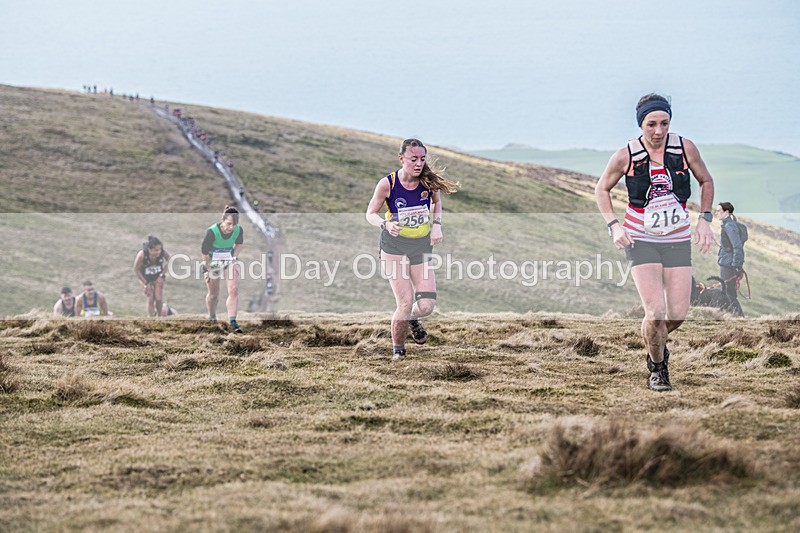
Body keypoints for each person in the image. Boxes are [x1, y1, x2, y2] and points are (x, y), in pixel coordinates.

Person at [595, 94, 715, 392]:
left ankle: (654, 341)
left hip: (677, 240)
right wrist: (614, 226)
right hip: (640, 239)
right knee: (656, 312)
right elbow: (602, 189)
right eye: (651, 124)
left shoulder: (684, 148)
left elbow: (706, 181)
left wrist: (705, 219)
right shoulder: (626, 155)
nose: (658, 131)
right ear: (641, 124)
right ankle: (658, 369)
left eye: (664, 123)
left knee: (677, 314)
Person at [365, 138, 460, 361]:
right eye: (413, 159)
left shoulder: (428, 182)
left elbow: (437, 204)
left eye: (422, 159)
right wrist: (385, 224)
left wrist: (436, 226)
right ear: (402, 159)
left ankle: (412, 319)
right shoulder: (387, 183)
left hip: (421, 245)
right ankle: (399, 350)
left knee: (426, 306)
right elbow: (370, 213)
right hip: (394, 246)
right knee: (405, 303)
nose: (418, 163)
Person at [202, 206, 244, 333]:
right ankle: (212, 317)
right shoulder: (212, 232)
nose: (231, 227)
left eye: (234, 224)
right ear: (222, 220)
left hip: (228, 260)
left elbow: (238, 244)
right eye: (229, 224)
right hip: (212, 262)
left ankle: (232, 321)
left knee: (234, 289)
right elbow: (204, 252)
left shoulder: (238, 230)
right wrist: (208, 269)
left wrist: (234, 258)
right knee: (214, 295)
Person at [715, 202, 745, 316]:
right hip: (727, 263)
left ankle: (740, 317)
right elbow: (730, 246)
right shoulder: (727, 225)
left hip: (729, 265)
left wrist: (736, 266)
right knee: (728, 292)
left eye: (719, 211)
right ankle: (734, 316)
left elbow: (737, 247)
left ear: (726, 212)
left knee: (729, 293)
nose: (716, 213)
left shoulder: (729, 226)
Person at [133, 236, 172, 317]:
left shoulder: (162, 253)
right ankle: (151, 317)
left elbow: (171, 260)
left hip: (157, 276)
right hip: (145, 277)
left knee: (158, 298)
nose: (158, 252)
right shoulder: (142, 255)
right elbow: (136, 270)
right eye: (156, 250)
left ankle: (160, 316)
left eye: (160, 249)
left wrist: (162, 274)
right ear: (149, 249)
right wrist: (145, 283)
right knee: (150, 298)